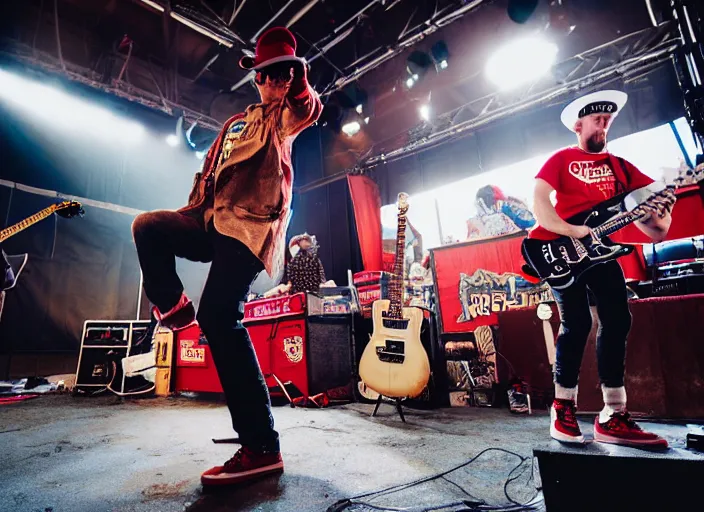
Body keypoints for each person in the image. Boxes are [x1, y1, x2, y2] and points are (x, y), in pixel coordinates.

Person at [131, 27, 322, 485]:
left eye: (280, 74)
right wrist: (187, 217)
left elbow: (308, 106)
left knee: (219, 318)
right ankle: (175, 312)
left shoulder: (281, 117)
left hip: (250, 228)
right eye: (265, 75)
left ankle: (261, 445)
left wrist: (294, 80)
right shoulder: (235, 124)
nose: (271, 82)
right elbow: (208, 182)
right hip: (208, 221)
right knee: (147, 226)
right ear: (254, 79)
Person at [528, 90, 676, 447]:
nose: (604, 123)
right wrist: (573, 230)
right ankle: (562, 406)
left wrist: (662, 208)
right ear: (579, 126)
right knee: (576, 321)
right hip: (559, 247)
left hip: (601, 252)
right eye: (597, 119)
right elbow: (538, 201)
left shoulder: (622, 168)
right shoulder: (562, 159)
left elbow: (658, 229)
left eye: (608, 119)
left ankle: (613, 413)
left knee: (618, 318)